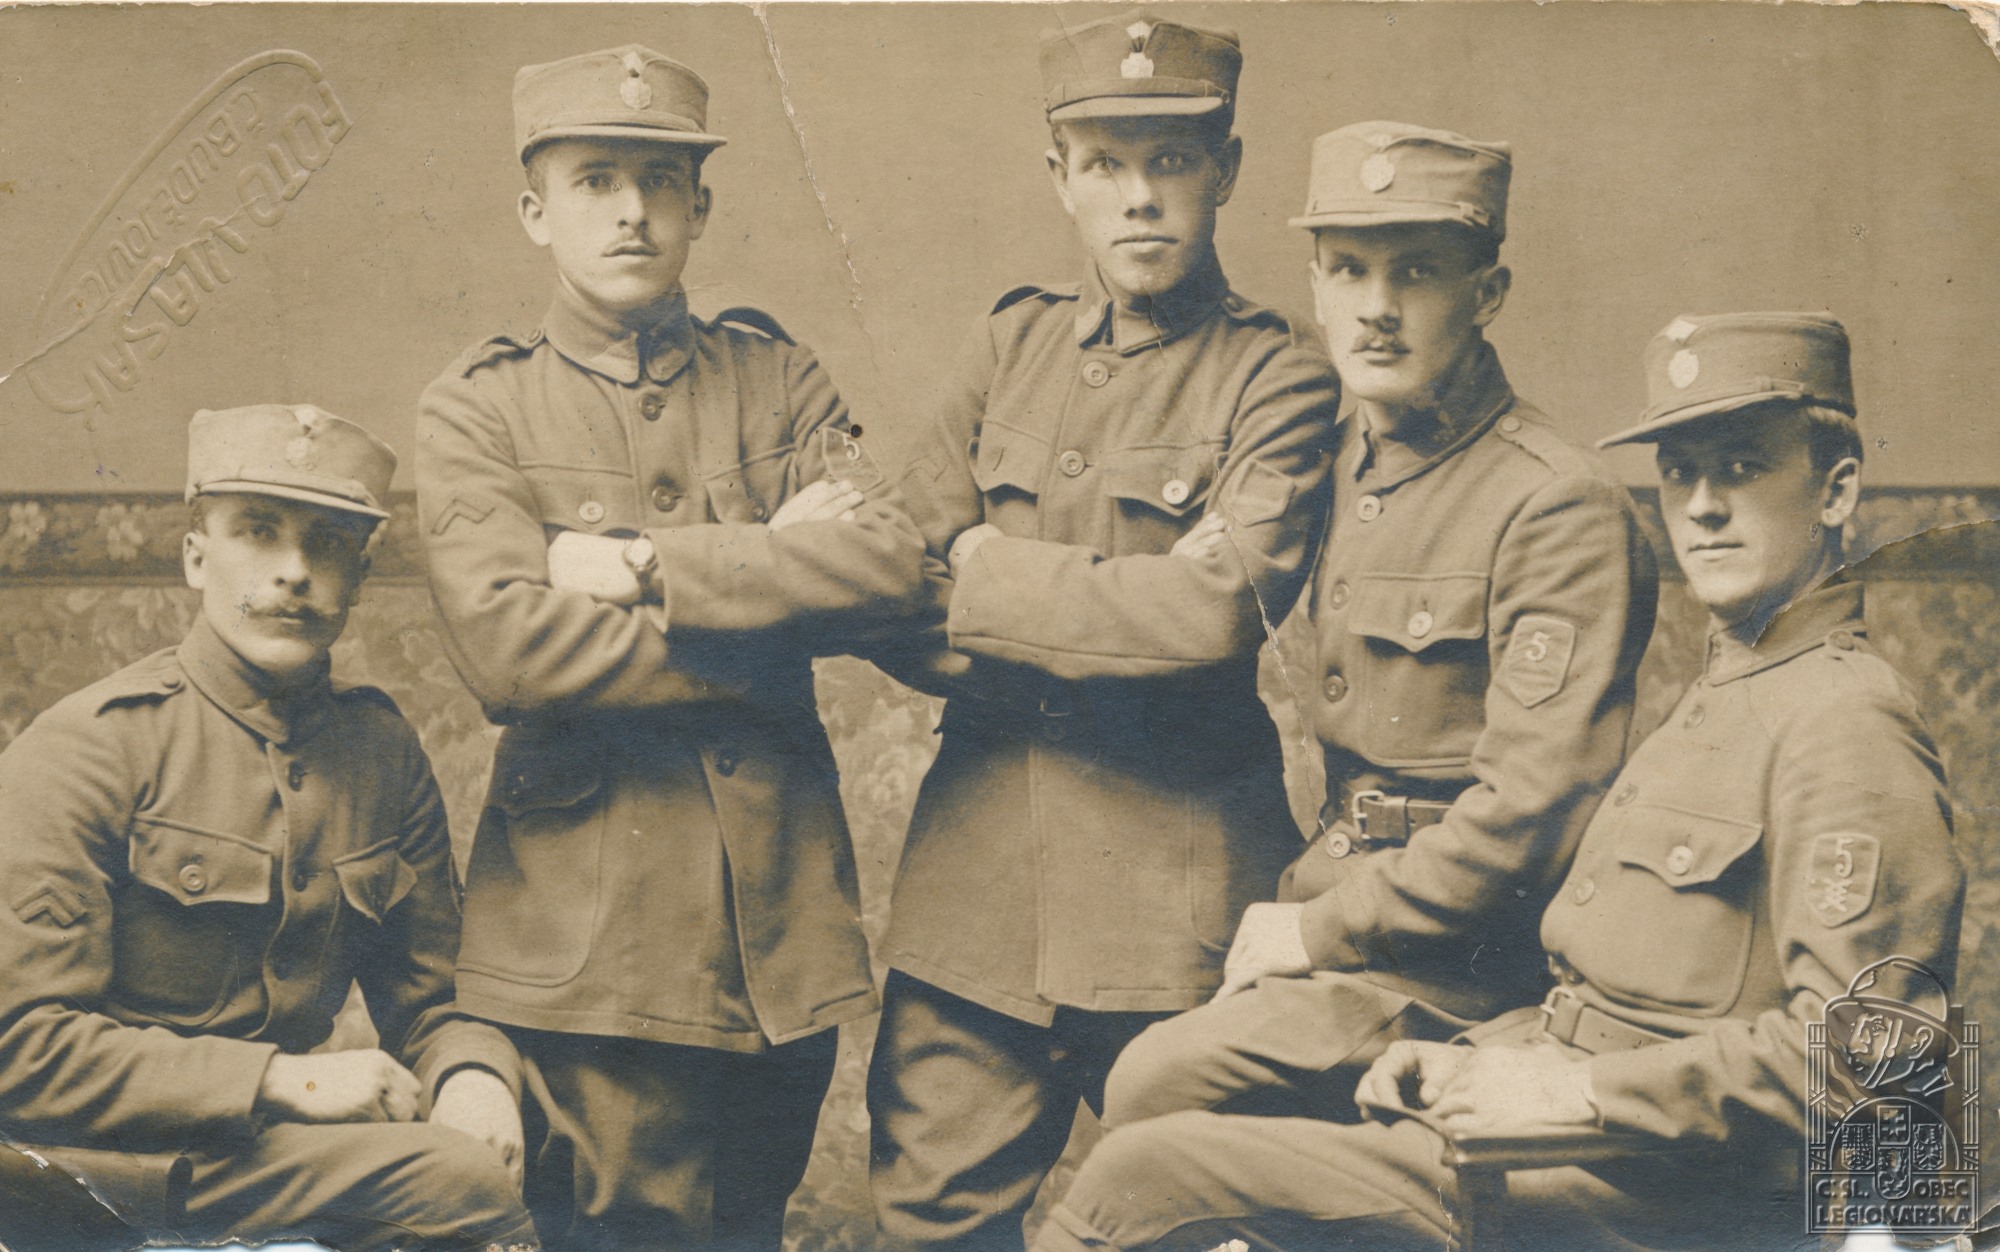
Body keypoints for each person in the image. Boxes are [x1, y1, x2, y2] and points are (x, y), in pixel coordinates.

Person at [1031, 312, 1965, 1251]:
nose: (1703, 506)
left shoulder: (1846, 722)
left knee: (1137, 1179)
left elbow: (1875, 1057)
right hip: (1554, 1126)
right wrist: (1477, 1059)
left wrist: (1574, 1090)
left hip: (1652, 1193)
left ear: (1837, 490)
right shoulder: (1733, 687)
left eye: (1743, 467)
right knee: (1170, 1111)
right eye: (1681, 472)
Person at [415, 42, 927, 1250]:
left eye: (660, 180)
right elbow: (508, 649)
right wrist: (769, 587)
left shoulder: (776, 376)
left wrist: (646, 567)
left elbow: (889, 563)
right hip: (590, 948)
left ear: (700, 204)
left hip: (777, 936)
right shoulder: (480, 406)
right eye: (596, 179)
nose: (632, 211)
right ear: (535, 211)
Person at [864, 15, 1341, 1250]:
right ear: (1058, 177)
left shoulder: (1279, 376)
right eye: (1104, 163)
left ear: (1224, 171)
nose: (1138, 197)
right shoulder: (1006, 343)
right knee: (927, 1228)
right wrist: (1106, 603)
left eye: (1170, 161)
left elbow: (1207, 613)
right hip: (976, 904)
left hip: (1177, 902)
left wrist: (982, 565)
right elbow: (888, 579)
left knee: (1197, 1221)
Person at [1093, 120, 1657, 1137]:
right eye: (1349, 270)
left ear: (1487, 293)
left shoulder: (1555, 504)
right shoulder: (1323, 462)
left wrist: (1318, 929)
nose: (1376, 309)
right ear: (1315, 287)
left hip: (1464, 969)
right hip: (1332, 899)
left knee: (1154, 1086)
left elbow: (1531, 813)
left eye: (1418, 273)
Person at [0, 404, 537, 1251]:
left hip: (258, 1159)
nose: (294, 572)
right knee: (454, 1185)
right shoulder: (91, 743)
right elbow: (18, 1048)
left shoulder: (378, 749)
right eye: (258, 532)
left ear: (359, 576)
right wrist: (281, 1079)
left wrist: (473, 1075)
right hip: (83, 1166)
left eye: (327, 543)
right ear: (195, 556)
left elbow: (433, 1000)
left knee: (525, 1148)